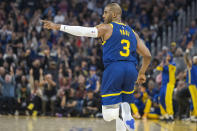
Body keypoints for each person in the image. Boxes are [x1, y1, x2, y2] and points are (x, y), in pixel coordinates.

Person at [41, 3, 151, 131]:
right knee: (124, 104)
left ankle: (122, 112)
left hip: (115, 68)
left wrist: (58, 26)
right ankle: (126, 112)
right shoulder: (133, 33)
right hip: (132, 70)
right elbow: (147, 55)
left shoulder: (107, 27)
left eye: (106, 12)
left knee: (108, 115)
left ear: (114, 14)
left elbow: (83, 31)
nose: (103, 15)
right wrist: (142, 73)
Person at [156, 52, 176, 121]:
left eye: (169, 56)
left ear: (171, 57)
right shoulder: (164, 64)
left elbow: (168, 67)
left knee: (168, 99)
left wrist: (166, 61)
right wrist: (162, 63)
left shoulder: (173, 64)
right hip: (163, 84)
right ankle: (164, 114)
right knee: (160, 99)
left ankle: (170, 114)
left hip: (170, 84)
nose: (167, 57)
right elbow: (158, 68)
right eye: (166, 56)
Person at [184, 49, 197, 122]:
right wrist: (187, 52)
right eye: (195, 58)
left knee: (194, 100)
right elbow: (186, 59)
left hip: (196, 85)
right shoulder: (191, 65)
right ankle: (195, 115)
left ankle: (192, 115)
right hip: (192, 84)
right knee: (195, 100)